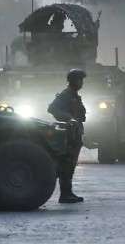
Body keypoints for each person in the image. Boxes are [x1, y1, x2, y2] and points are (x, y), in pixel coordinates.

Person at [47, 69, 87, 203]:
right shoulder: (66, 95)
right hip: (68, 135)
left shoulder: (74, 95)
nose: (81, 83)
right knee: (66, 164)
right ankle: (65, 194)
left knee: (70, 165)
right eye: (79, 80)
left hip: (75, 134)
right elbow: (52, 108)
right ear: (73, 81)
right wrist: (69, 119)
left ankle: (68, 193)